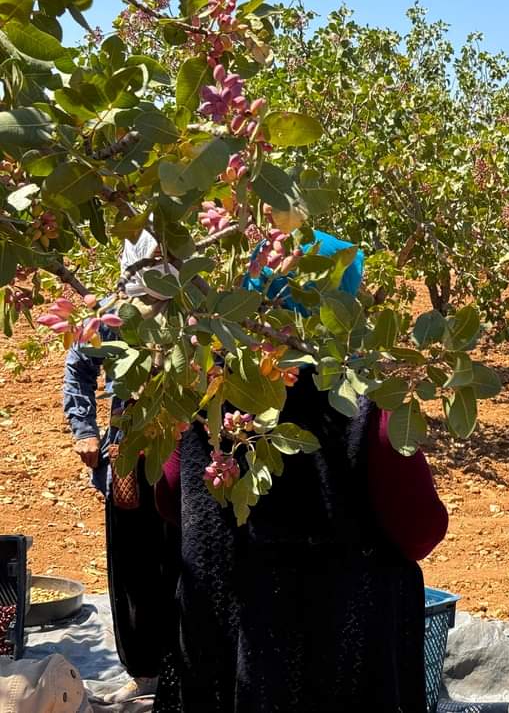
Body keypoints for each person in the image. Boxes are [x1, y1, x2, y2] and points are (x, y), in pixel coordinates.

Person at [156, 230, 448, 713]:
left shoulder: (198, 386)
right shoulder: (370, 401)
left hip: (224, 644)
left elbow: (170, 498)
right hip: (338, 652)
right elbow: (419, 530)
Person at [61, 232, 181, 705]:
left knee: (184, 555)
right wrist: (84, 429)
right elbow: (79, 368)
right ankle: (146, 672)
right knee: (134, 558)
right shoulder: (110, 315)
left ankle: (186, 666)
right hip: (128, 445)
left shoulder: (197, 311)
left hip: (184, 447)